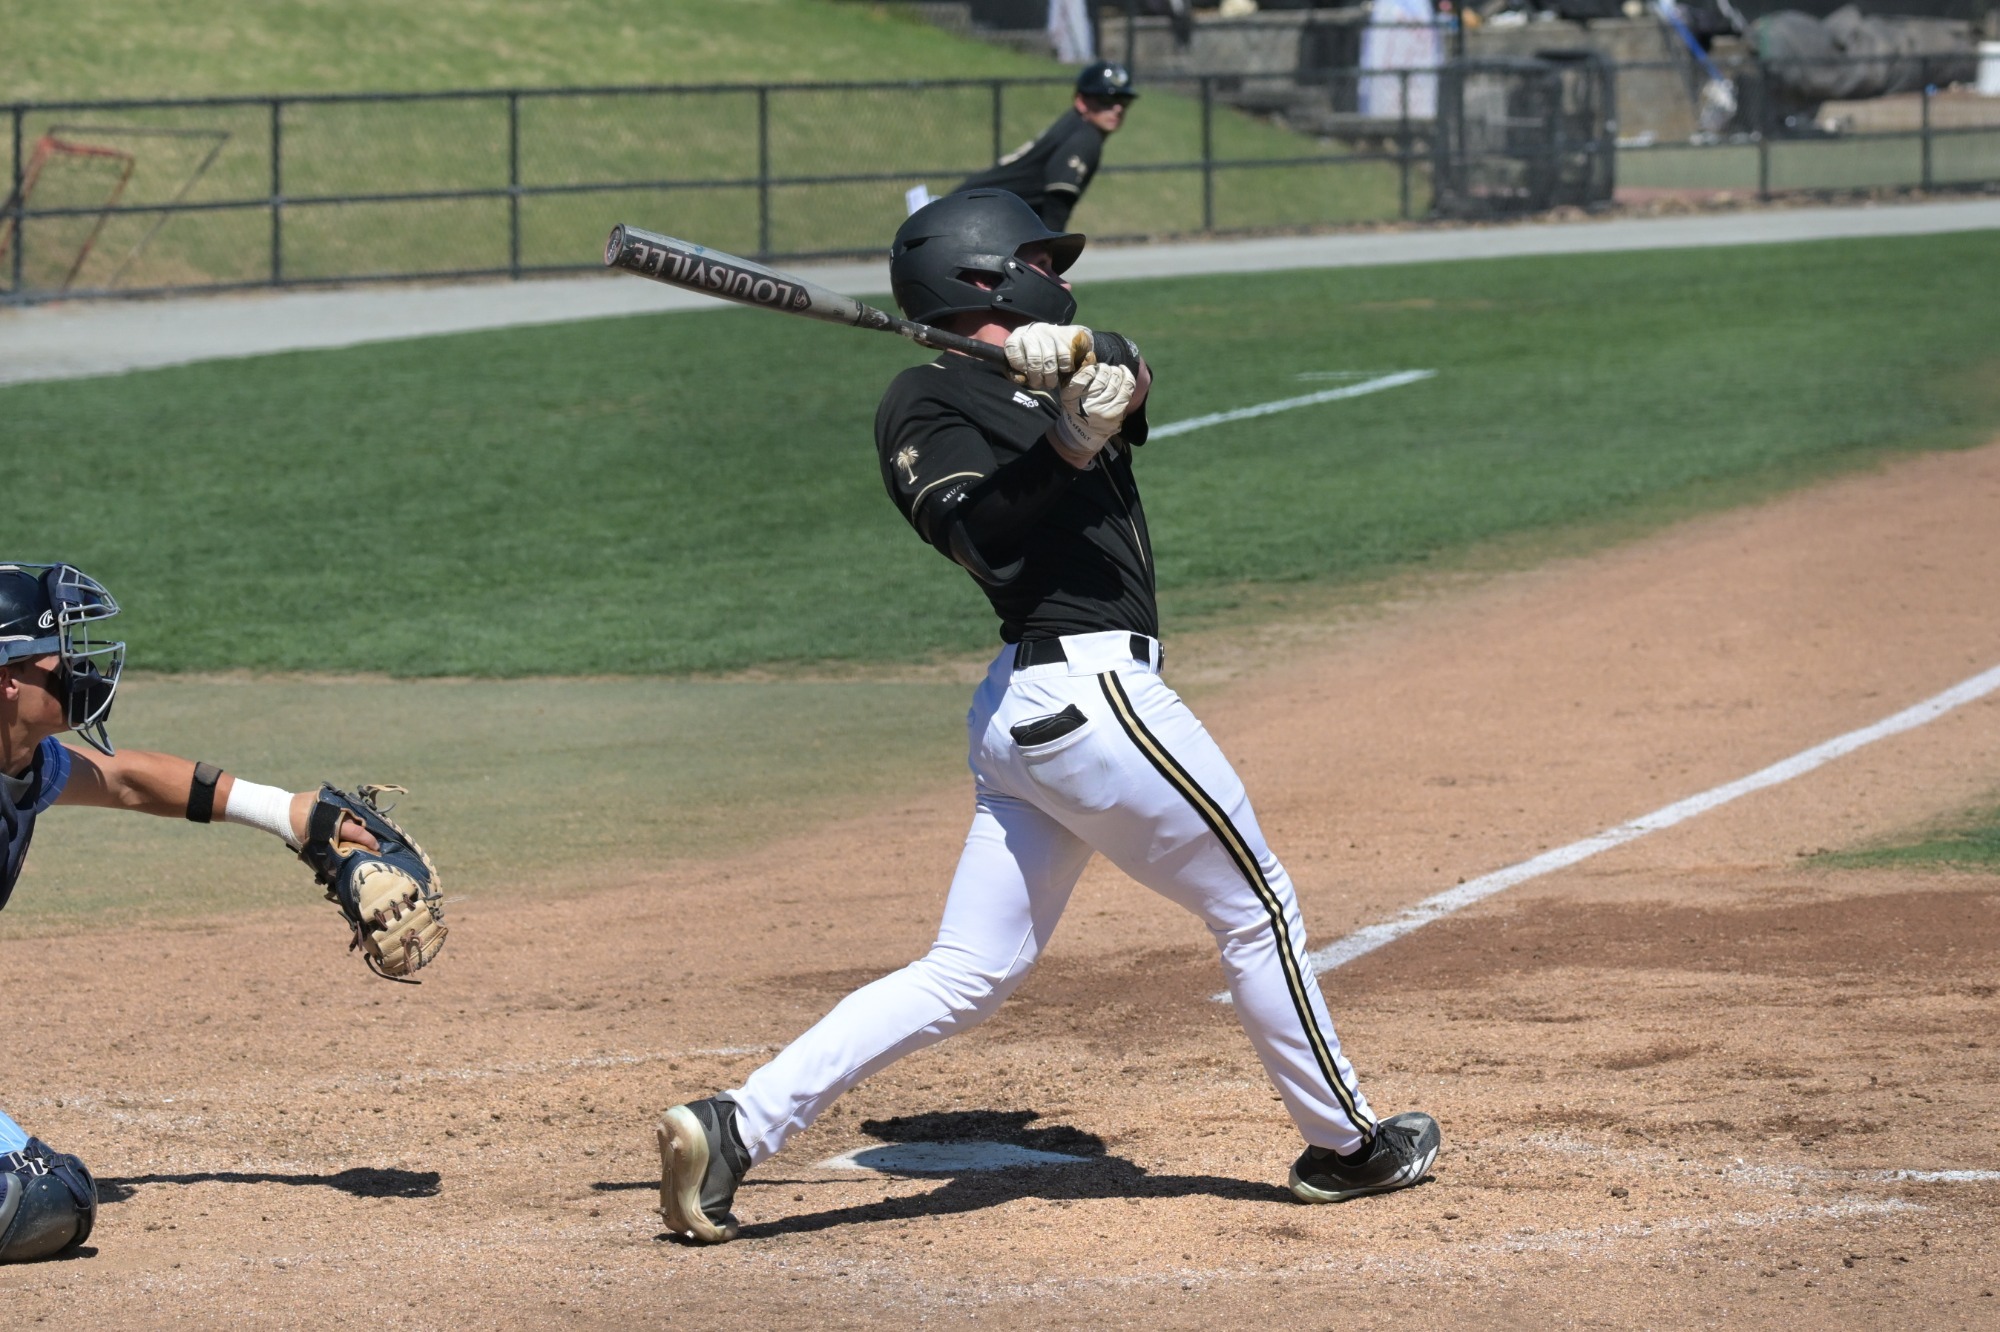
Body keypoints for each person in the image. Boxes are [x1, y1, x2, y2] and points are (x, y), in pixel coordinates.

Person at [655, 191, 1439, 1244]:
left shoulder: (1058, 360)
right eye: (1040, 262)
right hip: (1087, 696)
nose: (1061, 276)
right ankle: (1349, 1146)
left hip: (1039, 718)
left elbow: (1126, 370)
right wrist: (1063, 442)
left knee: (966, 971)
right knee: (1256, 910)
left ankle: (736, 1126)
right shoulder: (922, 400)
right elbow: (979, 536)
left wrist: (1083, 359)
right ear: (980, 276)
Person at [0, 561, 383, 1263]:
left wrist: (289, 815)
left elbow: (125, 781)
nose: (80, 667)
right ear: (9, 679)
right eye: (60, 650)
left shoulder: (21, 763)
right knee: (34, 1204)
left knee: (48, 1201)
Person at [952, 61, 1138, 230]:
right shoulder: (1087, 136)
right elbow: (1058, 198)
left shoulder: (1074, 125)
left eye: (1123, 101)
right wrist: (1051, 254)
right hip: (972, 216)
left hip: (967, 208)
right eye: (1105, 100)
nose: (1117, 108)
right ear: (1081, 101)